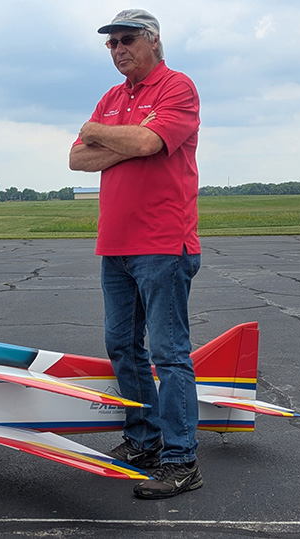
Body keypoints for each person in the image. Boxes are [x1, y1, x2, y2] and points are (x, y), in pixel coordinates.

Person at [69, 9, 202, 499]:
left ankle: (181, 458)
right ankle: (143, 440)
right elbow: (76, 157)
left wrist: (98, 131)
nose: (118, 49)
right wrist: (124, 140)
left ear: (153, 41)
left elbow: (150, 139)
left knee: (169, 354)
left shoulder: (177, 87)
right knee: (122, 347)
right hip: (116, 246)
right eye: (111, 43)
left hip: (164, 245)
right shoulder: (111, 97)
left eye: (127, 40)